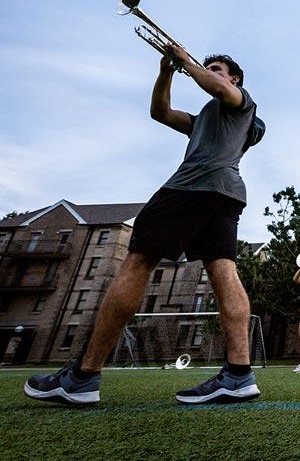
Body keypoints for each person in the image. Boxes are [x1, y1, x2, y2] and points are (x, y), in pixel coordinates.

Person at [25, 44, 265, 406]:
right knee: (223, 270)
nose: (211, 71)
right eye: (208, 66)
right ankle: (238, 374)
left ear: (235, 78)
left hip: (191, 188)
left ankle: (84, 376)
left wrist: (187, 61)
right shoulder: (204, 120)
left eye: (217, 68)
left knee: (137, 262)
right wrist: (167, 71)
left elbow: (218, 89)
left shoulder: (240, 101)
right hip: (224, 194)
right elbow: (160, 112)